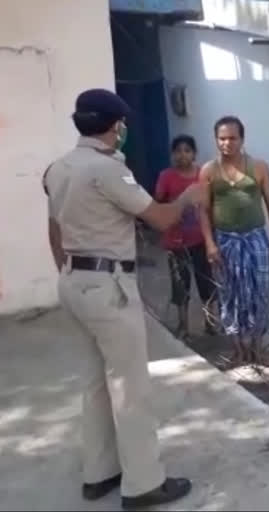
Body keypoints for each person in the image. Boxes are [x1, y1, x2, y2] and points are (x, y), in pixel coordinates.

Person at [43, 89, 198, 508]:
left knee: (93, 382)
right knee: (130, 387)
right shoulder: (108, 170)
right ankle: (144, 482)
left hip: (73, 282)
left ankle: (99, 473)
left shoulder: (58, 169)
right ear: (115, 126)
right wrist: (188, 196)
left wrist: (72, 273)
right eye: (122, 124)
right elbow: (162, 218)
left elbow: (55, 230)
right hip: (108, 287)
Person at [200, 116, 269, 366]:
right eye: (222, 138)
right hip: (225, 241)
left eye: (232, 138)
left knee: (259, 292)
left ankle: (257, 347)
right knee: (229, 293)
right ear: (216, 140)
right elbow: (202, 210)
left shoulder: (259, 167)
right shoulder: (208, 171)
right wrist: (209, 244)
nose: (227, 143)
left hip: (256, 239)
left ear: (242, 139)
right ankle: (238, 349)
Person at [155, 135, 216, 338]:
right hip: (176, 241)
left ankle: (210, 322)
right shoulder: (166, 176)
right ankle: (183, 325)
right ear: (173, 154)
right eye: (178, 151)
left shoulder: (202, 174)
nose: (183, 155)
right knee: (180, 285)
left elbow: (211, 205)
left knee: (206, 283)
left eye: (187, 150)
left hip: (200, 239)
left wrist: (212, 240)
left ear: (194, 153)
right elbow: (158, 204)